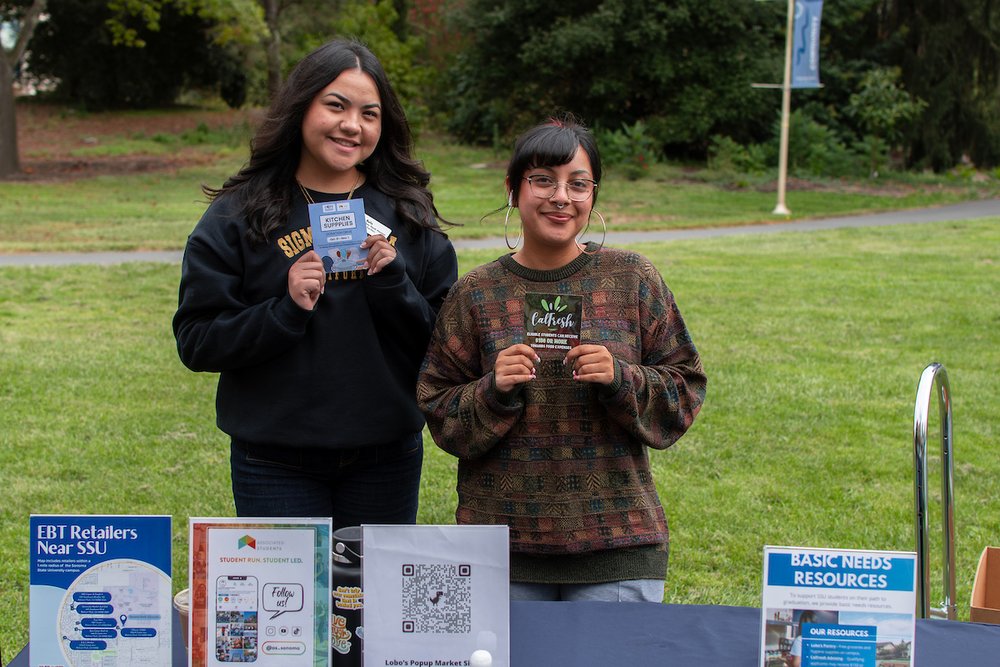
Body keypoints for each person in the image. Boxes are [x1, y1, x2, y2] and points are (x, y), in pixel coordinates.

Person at [417, 118, 706, 602]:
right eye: (543, 180)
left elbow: (685, 391)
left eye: (578, 183)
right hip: (501, 549)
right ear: (513, 189)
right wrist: (494, 389)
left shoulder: (632, 277)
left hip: (616, 544)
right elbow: (437, 405)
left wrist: (620, 379)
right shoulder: (476, 293)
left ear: (594, 195)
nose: (561, 197)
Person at [173, 39, 457, 529]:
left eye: (370, 113)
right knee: (292, 607)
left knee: (367, 607)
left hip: (384, 457)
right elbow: (198, 341)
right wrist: (285, 310)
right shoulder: (241, 213)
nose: (352, 125)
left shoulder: (408, 212)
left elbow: (449, 345)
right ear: (301, 107)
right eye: (336, 105)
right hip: (274, 462)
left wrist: (395, 286)